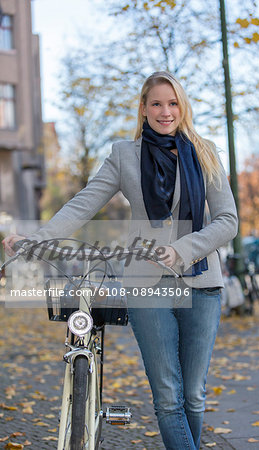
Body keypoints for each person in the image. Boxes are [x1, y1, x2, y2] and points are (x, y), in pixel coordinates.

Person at [3, 71, 238, 449]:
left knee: (193, 395)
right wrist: (37, 238)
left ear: (182, 106)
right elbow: (83, 203)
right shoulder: (124, 155)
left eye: (172, 103)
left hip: (201, 281)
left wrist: (184, 249)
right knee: (167, 397)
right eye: (157, 103)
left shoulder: (205, 152)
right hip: (146, 284)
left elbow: (228, 221)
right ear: (143, 109)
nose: (165, 111)